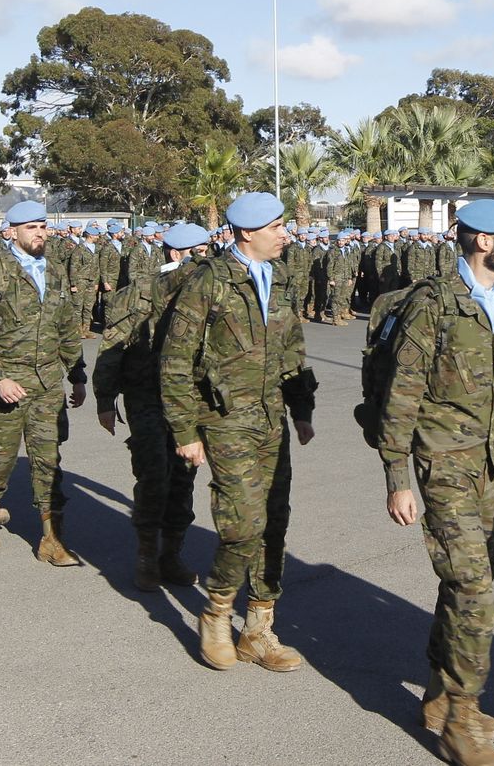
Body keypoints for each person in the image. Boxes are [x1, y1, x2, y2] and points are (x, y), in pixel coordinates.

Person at [379, 199, 494, 766]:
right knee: (474, 588)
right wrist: (397, 477)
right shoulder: (433, 305)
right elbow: (401, 393)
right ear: (483, 243)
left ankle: (438, 691)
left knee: (464, 584)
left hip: (492, 464)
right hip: (443, 463)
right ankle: (460, 719)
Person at [159, 192, 317, 672]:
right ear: (248, 232)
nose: (285, 234)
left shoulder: (282, 279)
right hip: (225, 420)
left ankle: (258, 629)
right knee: (241, 524)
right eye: (276, 226)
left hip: (272, 419)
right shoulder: (206, 282)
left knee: (274, 521)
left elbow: (292, 349)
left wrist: (302, 408)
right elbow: (174, 363)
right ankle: (216, 612)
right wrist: (185, 431)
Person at [0, 199, 87, 564]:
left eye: (43, 226)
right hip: (7, 385)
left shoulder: (53, 271)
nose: (39, 233)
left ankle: (52, 538)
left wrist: (77, 375)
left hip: (47, 383)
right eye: (31, 227)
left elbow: (66, 327)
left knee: (48, 461)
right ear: (12, 231)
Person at [93, 221, 208, 591]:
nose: (208, 259)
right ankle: (146, 556)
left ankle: (171, 554)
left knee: (183, 478)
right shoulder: (137, 294)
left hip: (190, 400)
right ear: (176, 254)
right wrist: (104, 399)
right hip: (146, 396)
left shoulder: (209, 291)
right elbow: (112, 347)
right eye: (200, 252)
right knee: (154, 474)